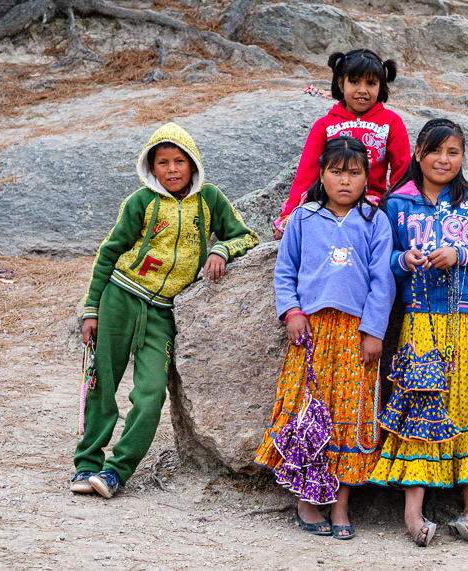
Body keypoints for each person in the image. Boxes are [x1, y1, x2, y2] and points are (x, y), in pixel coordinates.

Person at [71, 122, 259, 498]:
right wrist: (92, 308)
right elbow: (109, 252)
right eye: (162, 162)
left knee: (152, 392)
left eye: (179, 161)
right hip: (120, 298)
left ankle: (115, 472)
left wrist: (221, 249)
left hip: (163, 312)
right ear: (151, 168)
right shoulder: (140, 202)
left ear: (193, 164)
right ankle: (87, 462)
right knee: (102, 385)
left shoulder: (209, 200)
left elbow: (246, 235)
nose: (172, 170)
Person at [369, 119, 468, 546]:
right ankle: (413, 512)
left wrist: (460, 253)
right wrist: (406, 260)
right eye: (435, 151)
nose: (444, 160)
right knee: (423, 407)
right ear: (418, 153)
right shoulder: (396, 205)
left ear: (462, 158)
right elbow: (380, 260)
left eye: (453, 152)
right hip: (421, 321)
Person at [255, 136, 396, 540]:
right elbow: (285, 271)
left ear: (368, 177)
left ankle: (341, 506)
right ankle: (306, 499)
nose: (345, 181)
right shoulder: (303, 218)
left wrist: (373, 331)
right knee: (308, 411)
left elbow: (382, 282)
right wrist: (293, 311)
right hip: (312, 333)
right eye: (336, 171)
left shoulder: (374, 221)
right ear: (322, 174)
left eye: (354, 173)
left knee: (349, 416)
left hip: (355, 336)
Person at [273, 48, 410, 238]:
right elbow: (306, 172)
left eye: (371, 83)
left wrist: (401, 210)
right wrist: (288, 214)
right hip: (328, 197)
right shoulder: (325, 125)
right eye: (354, 82)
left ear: (381, 86)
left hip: (370, 200)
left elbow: (402, 172)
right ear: (341, 83)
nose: (362, 90)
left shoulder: (391, 123)